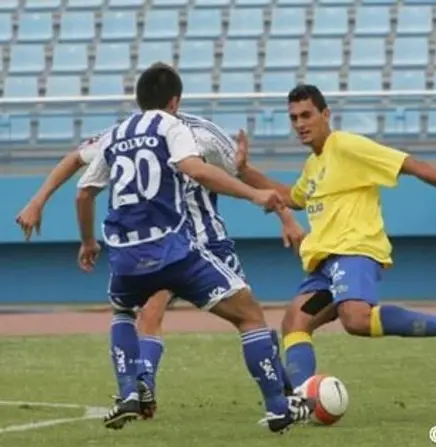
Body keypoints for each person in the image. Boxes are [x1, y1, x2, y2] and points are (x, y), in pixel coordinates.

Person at [15, 76, 304, 420]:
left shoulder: (193, 133)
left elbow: (241, 172)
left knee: (142, 311)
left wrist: (285, 215)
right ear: (175, 101)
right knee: (227, 314)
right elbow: (78, 157)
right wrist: (273, 205)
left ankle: (283, 390)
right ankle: (147, 386)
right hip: (175, 242)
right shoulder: (155, 130)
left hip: (198, 239)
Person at [235, 84, 436, 392]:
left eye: (306, 115)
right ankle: (302, 398)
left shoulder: (347, 146)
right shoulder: (314, 164)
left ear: (326, 114)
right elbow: (291, 196)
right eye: (294, 118)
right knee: (294, 322)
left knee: (356, 319)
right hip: (323, 264)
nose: (300, 124)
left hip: (354, 251)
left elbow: (412, 165)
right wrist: (245, 172)